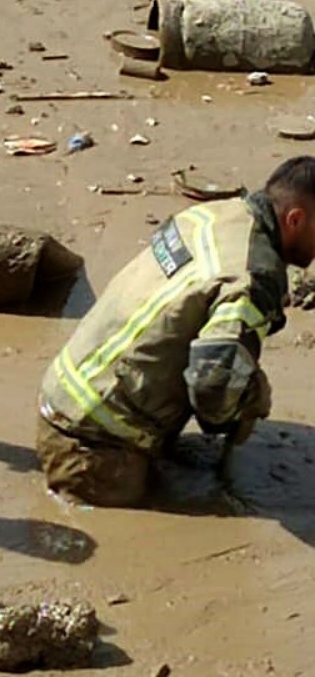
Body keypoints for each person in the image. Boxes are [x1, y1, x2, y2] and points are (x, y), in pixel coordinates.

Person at [37, 158, 315, 507]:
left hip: (63, 393)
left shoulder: (214, 214)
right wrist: (238, 408)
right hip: (94, 449)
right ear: (295, 220)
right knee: (245, 386)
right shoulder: (252, 277)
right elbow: (213, 388)